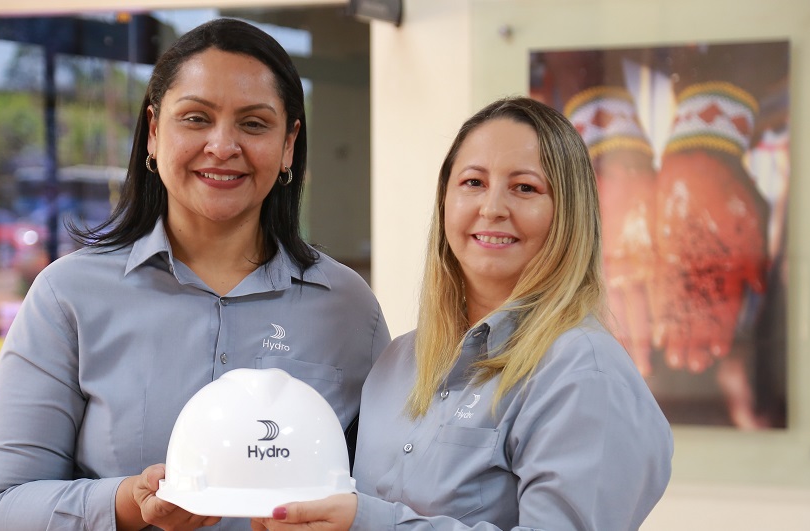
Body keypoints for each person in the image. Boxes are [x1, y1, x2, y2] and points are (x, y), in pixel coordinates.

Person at [0, 18, 390, 531]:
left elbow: (379, 496)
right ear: (153, 131)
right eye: (195, 118)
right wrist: (126, 501)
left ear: (288, 144)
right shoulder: (68, 295)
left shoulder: (349, 307)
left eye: (254, 124)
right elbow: (1, 506)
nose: (222, 145)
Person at [253, 97, 673, 531]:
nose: (492, 208)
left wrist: (369, 523)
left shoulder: (585, 370)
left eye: (525, 187)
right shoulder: (398, 363)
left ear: (568, 213)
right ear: (445, 201)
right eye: (473, 183)